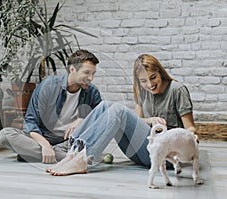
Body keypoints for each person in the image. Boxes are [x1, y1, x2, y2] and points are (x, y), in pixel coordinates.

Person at [47, 54, 196, 176]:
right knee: (105, 106)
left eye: (153, 77)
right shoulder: (143, 90)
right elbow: (138, 121)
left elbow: (190, 128)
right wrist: (150, 120)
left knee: (118, 110)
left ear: (160, 73)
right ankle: (73, 153)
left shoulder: (177, 90)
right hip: (141, 150)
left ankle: (83, 159)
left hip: (165, 155)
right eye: (143, 81)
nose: (149, 85)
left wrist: (191, 139)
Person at [0, 49, 102, 163]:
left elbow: (100, 122)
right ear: (72, 69)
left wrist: (83, 120)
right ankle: (69, 157)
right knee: (5, 135)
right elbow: (31, 121)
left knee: (89, 141)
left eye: (93, 74)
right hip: (45, 137)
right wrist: (45, 145)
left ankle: (37, 154)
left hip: (71, 141)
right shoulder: (48, 86)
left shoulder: (93, 93)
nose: (91, 78)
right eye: (87, 73)